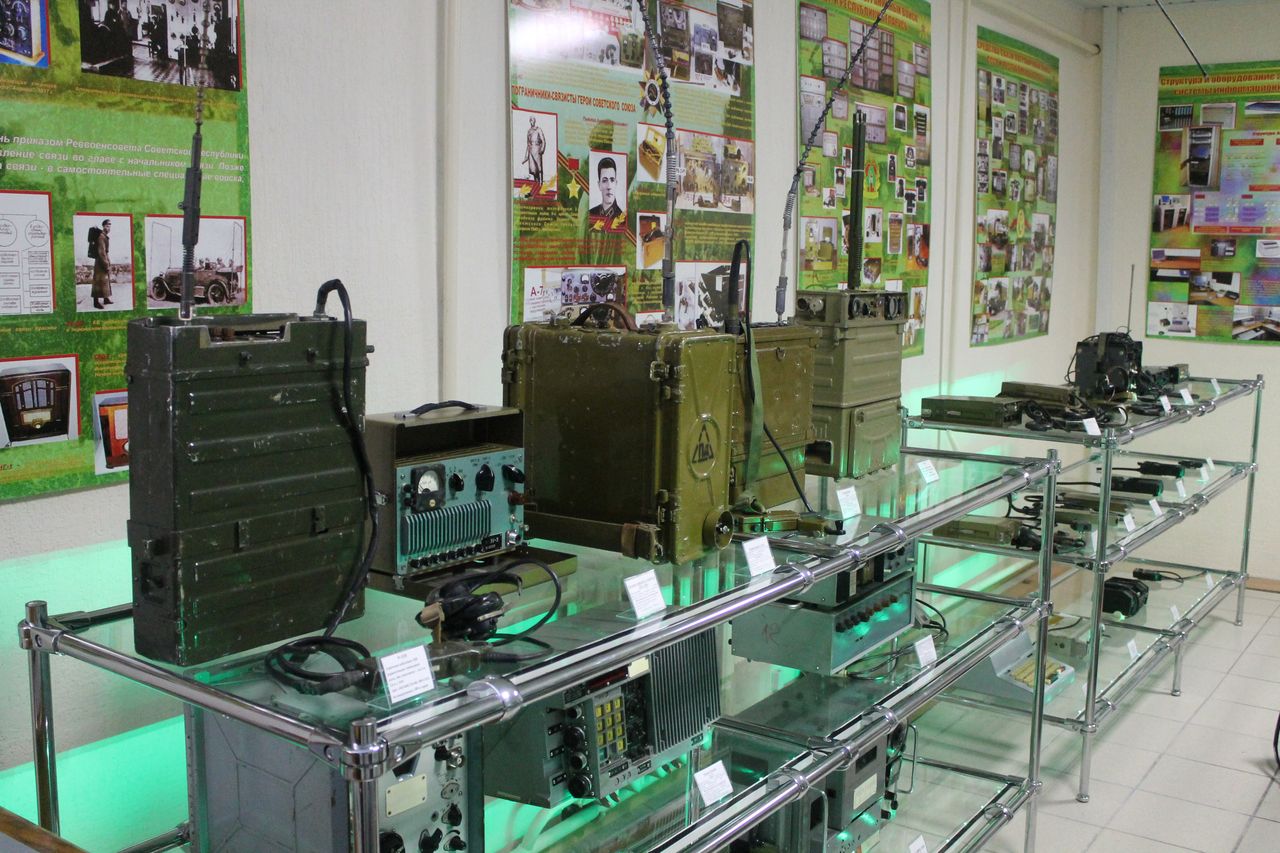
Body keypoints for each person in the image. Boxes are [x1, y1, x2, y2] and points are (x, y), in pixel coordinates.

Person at [92, 219, 113, 310]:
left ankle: (106, 299)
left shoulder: (104, 236)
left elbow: (105, 253)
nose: (109, 228)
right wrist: (106, 264)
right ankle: (95, 302)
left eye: (110, 226)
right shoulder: (101, 237)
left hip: (103, 261)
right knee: (98, 282)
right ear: (103, 226)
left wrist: (108, 261)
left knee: (105, 281)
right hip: (100, 263)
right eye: (107, 226)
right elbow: (102, 253)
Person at [522, 116, 545, 185]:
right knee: (533, 169)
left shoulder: (538, 129)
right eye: (530, 121)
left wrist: (542, 149)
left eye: (532, 120)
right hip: (531, 151)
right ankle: (536, 184)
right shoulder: (529, 131)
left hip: (537, 150)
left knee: (539, 168)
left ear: (534, 121)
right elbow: (528, 144)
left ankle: (541, 183)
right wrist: (526, 156)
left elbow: (543, 141)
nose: (531, 122)